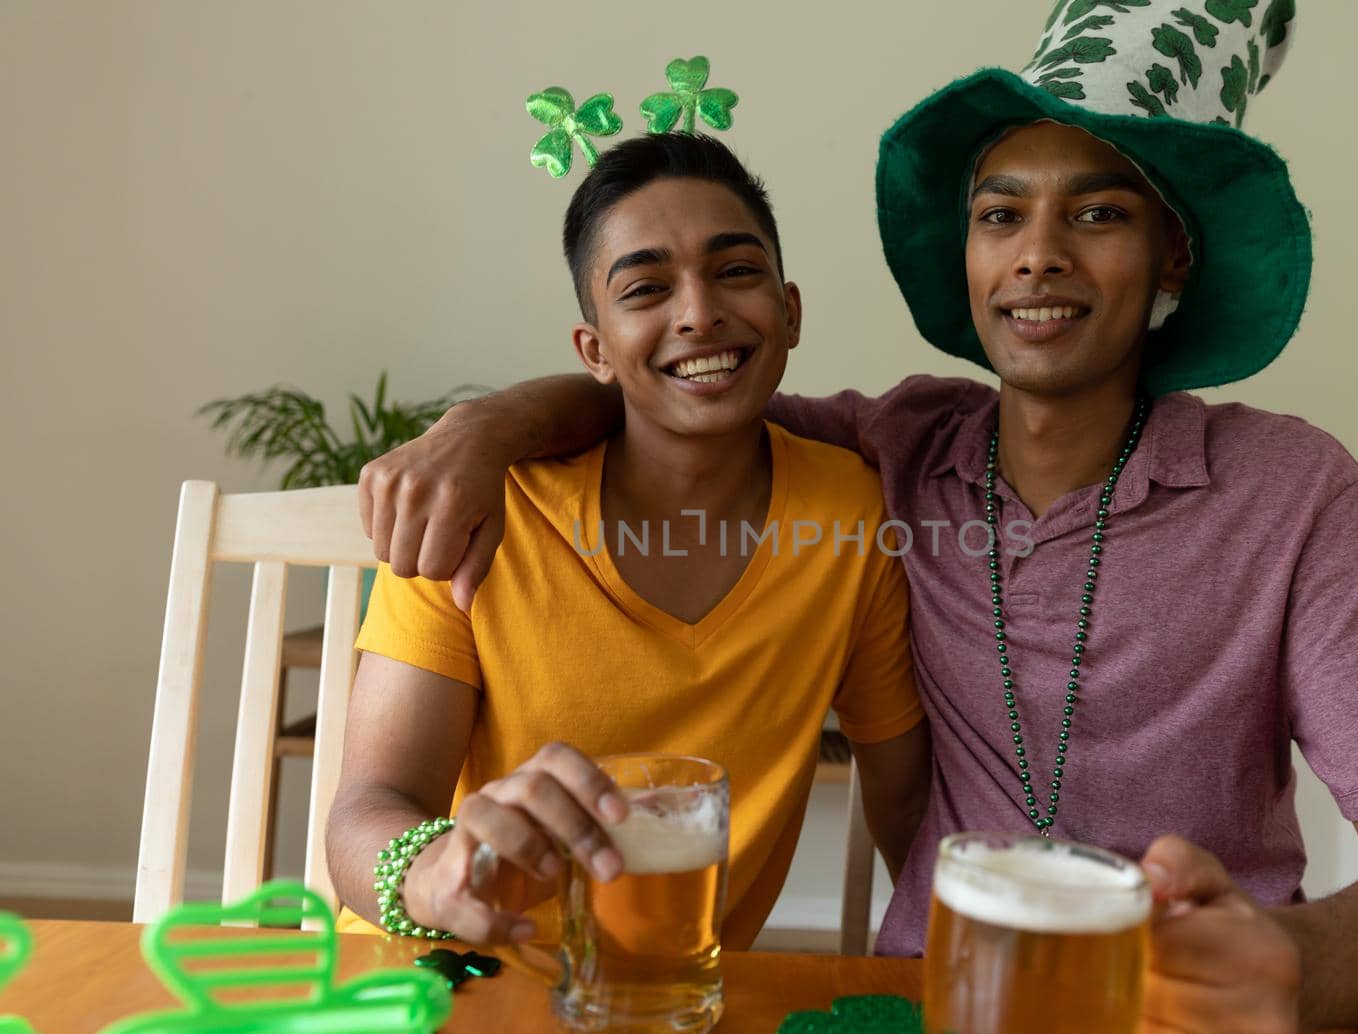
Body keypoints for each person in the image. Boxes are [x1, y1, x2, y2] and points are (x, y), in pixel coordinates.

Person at [357, 4, 1358, 1034]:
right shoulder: (895, 452)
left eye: (1099, 211)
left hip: (1200, 1026)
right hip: (922, 1012)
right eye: (1000, 211)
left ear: (1173, 256)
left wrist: (1291, 965)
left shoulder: (1293, 491)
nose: (1038, 253)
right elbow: (678, 396)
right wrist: (486, 425)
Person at [326, 132, 930, 950]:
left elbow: (906, 812)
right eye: (646, 288)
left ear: (790, 313)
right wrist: (435, 870)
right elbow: (367, 810)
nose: (699, 311)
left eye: (737, 271)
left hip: (683, 1006)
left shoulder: (852, 518)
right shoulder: (487, 508)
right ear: (594, 350)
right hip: (449, 993)